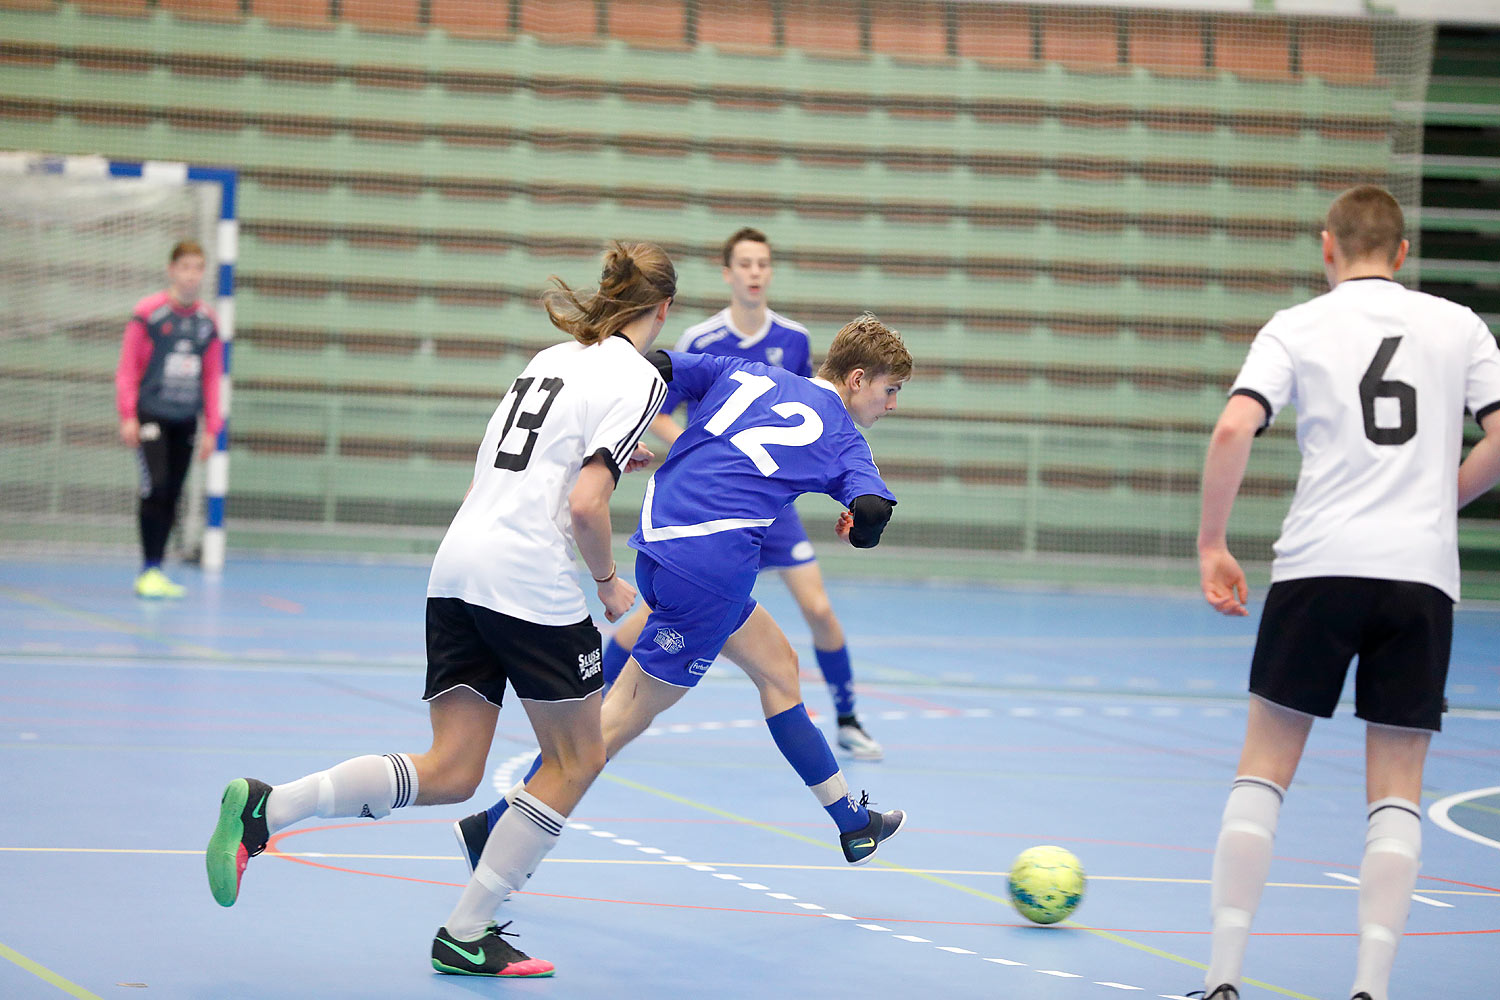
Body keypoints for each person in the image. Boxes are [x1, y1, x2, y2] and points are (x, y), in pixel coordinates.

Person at [205, 241, 677, 978]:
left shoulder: (549, 359)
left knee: (453, 768)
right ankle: (466, 931)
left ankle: (270, 807)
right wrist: (610, 581)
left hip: (458, 563)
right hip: (526, 573)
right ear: (664, 310)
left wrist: (611, 458)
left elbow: (511, 461)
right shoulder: (641, 377)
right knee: (578, 756)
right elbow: (587, 504)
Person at [454, 312, 913, 874]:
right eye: (890, 391)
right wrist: (855, 528)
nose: (891, 405)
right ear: (857, 379)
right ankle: (497, 826)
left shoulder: (746, 374)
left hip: (659, 540)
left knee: (779, 668)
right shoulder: (845, 439)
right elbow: (871, 514)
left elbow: (658, 366)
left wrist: (617, 435)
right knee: (615, 721)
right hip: (711, 573)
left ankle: (852, 822)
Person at [1192, 185, 1500, 1000]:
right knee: (1396, 787)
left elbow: (1233, 427)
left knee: (1264, 769)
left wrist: (1212, 543)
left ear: (1328, 247)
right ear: (1403, 254)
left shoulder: (1298, 325)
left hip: (1319, 563)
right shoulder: (1459, 327)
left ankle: (1224, 978)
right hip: (1420, 573)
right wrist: (1440, 496)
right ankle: (1371, 987)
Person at [600, 227, 885, 759]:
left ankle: (848, 718)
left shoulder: (794, 339)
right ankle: (597, 697)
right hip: (716, 509)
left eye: (763, 264)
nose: (755, 272)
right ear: (728, 273)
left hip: (774, 506)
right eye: (746, 264)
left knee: (818, 608)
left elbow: (813, 414)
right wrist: (695, 448)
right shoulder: (703, 341)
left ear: (770, 273)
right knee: (652, 613)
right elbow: (663, 402)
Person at [115, 240, 223, 598]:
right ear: (172, 269)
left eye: (198, 267)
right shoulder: (149, 313)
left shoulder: (208, 322)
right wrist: (128, 414)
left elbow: (211, 376)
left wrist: (212, 426)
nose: (192, 274)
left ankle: (158, 571)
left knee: (173, 493)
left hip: (185, 420)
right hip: (151, 415)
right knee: (155, 487)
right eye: (186, 266)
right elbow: (128, 368)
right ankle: (147, 569)